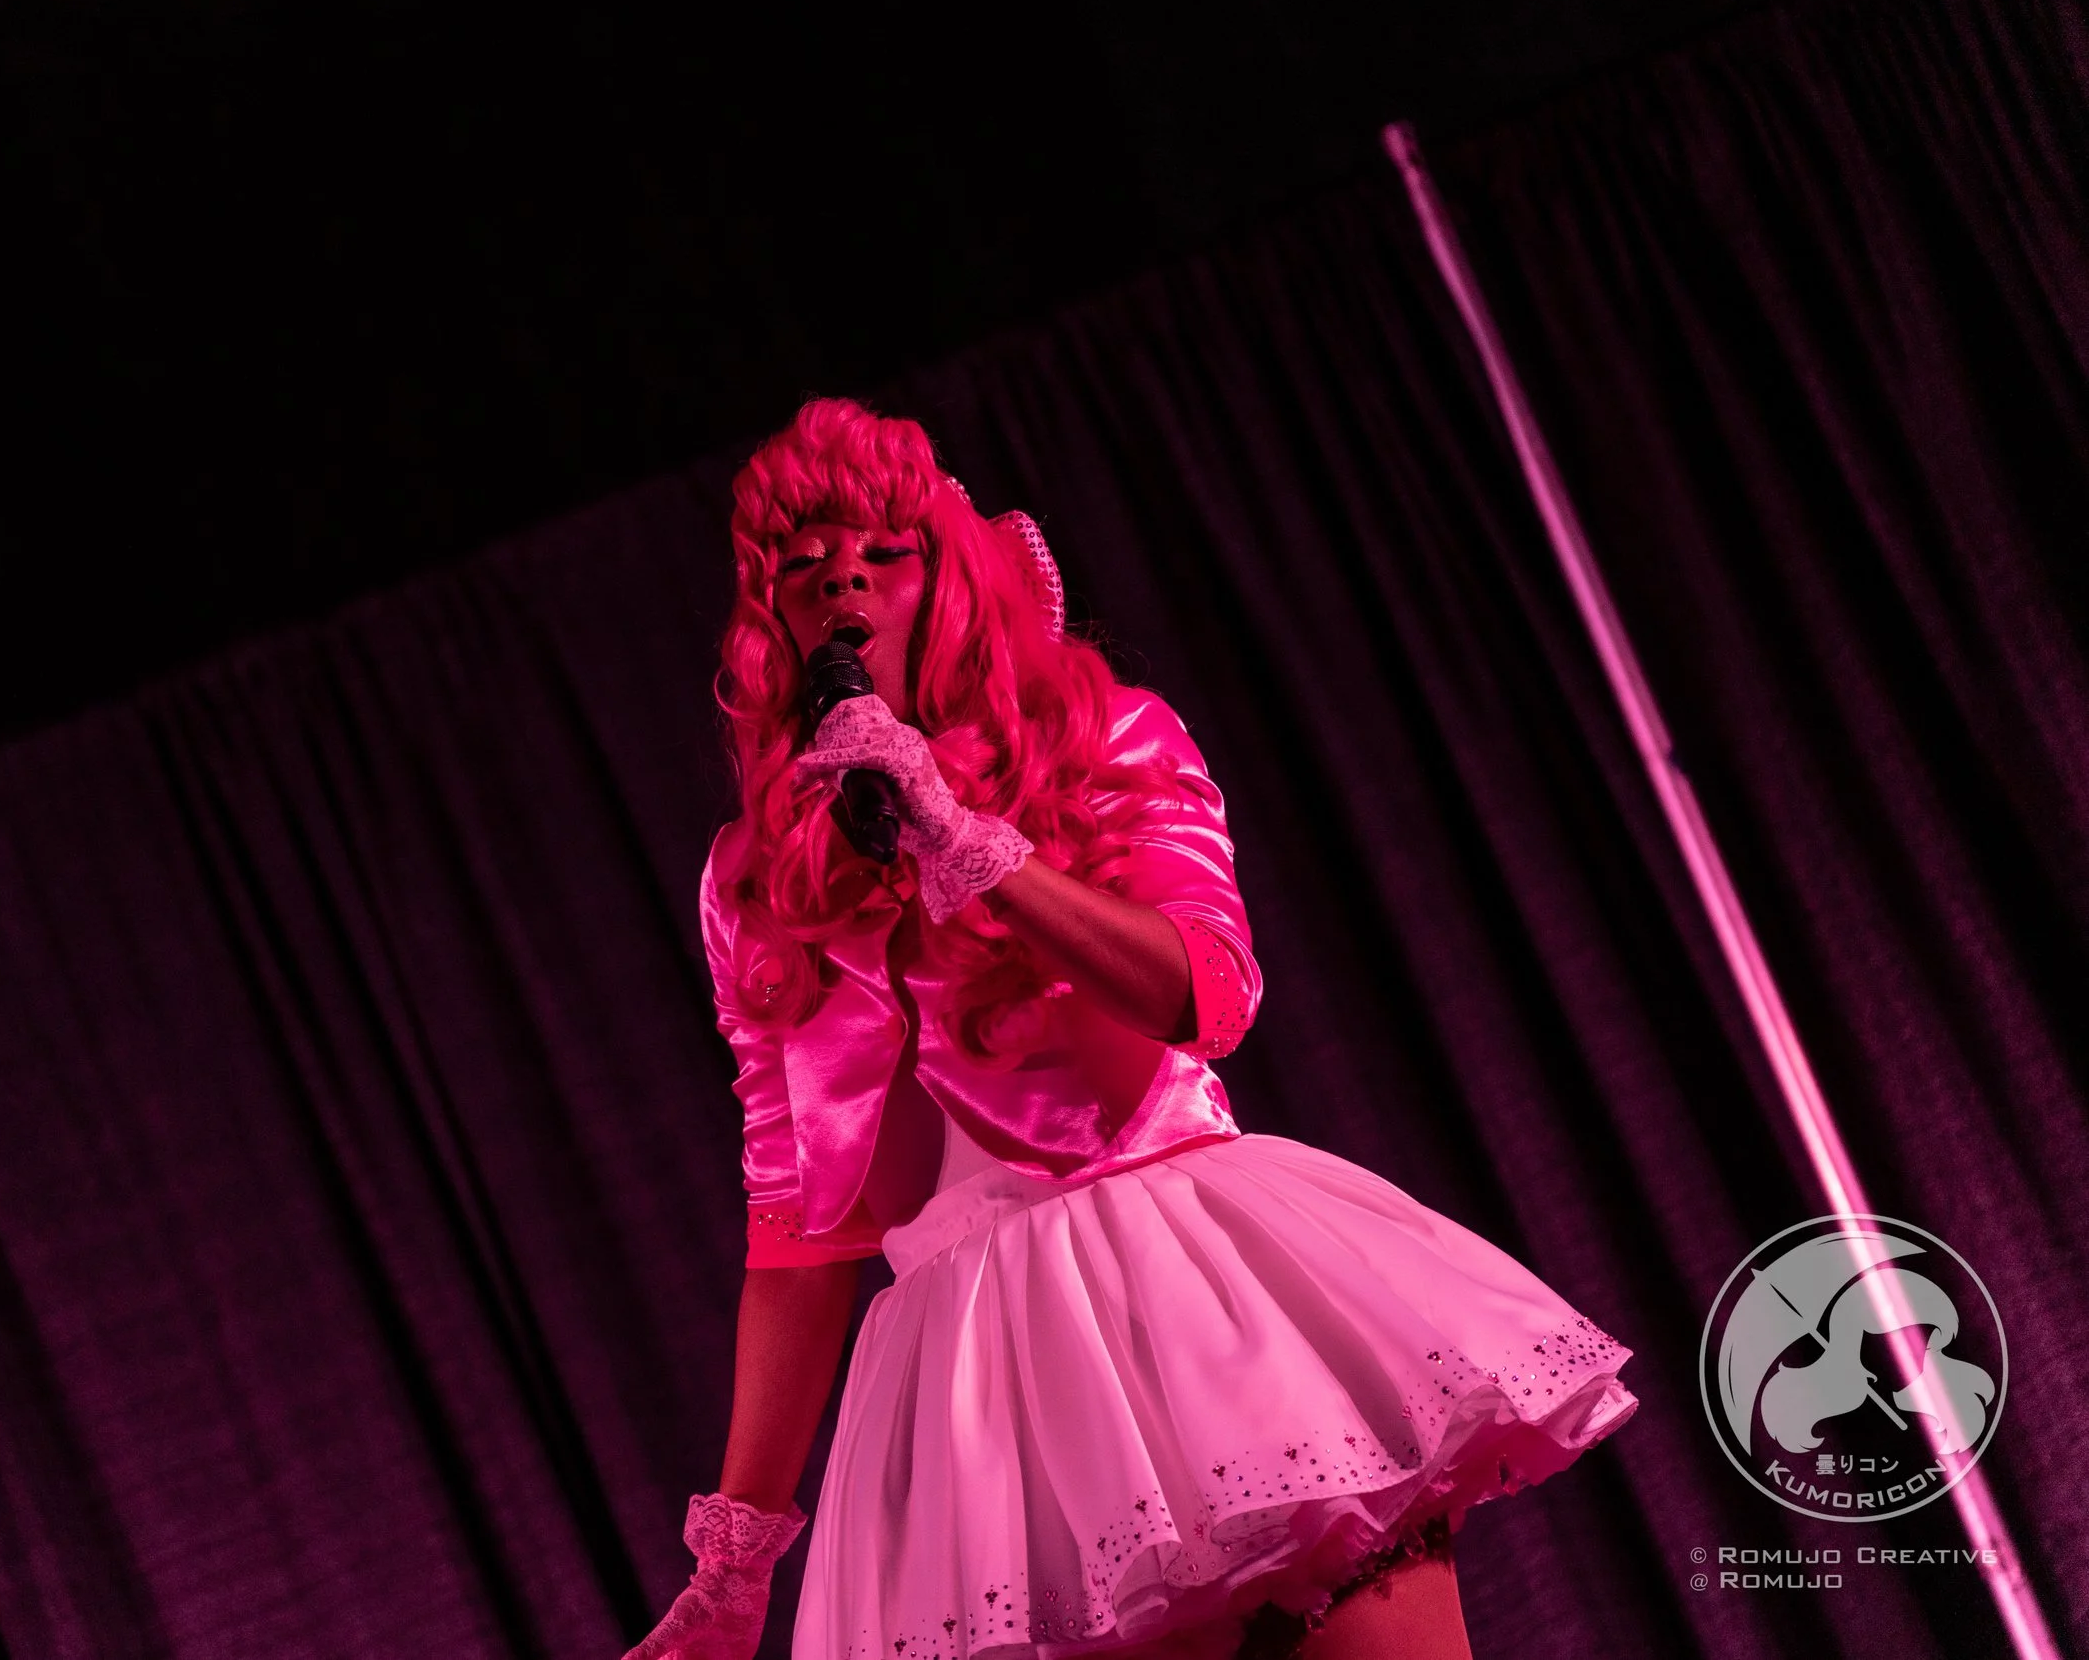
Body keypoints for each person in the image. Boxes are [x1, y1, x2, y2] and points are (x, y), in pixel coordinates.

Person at [626, 400, 1638, 1660]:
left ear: (948, 568)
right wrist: (735, 1558)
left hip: (1188, 1287)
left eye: (882, 549)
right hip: (976, 1391)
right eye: (804, 561)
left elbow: (1205, 992)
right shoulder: (756, 881)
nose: (843, 576)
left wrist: (965, 843)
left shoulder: (1101, 734)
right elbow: (795, 1219)